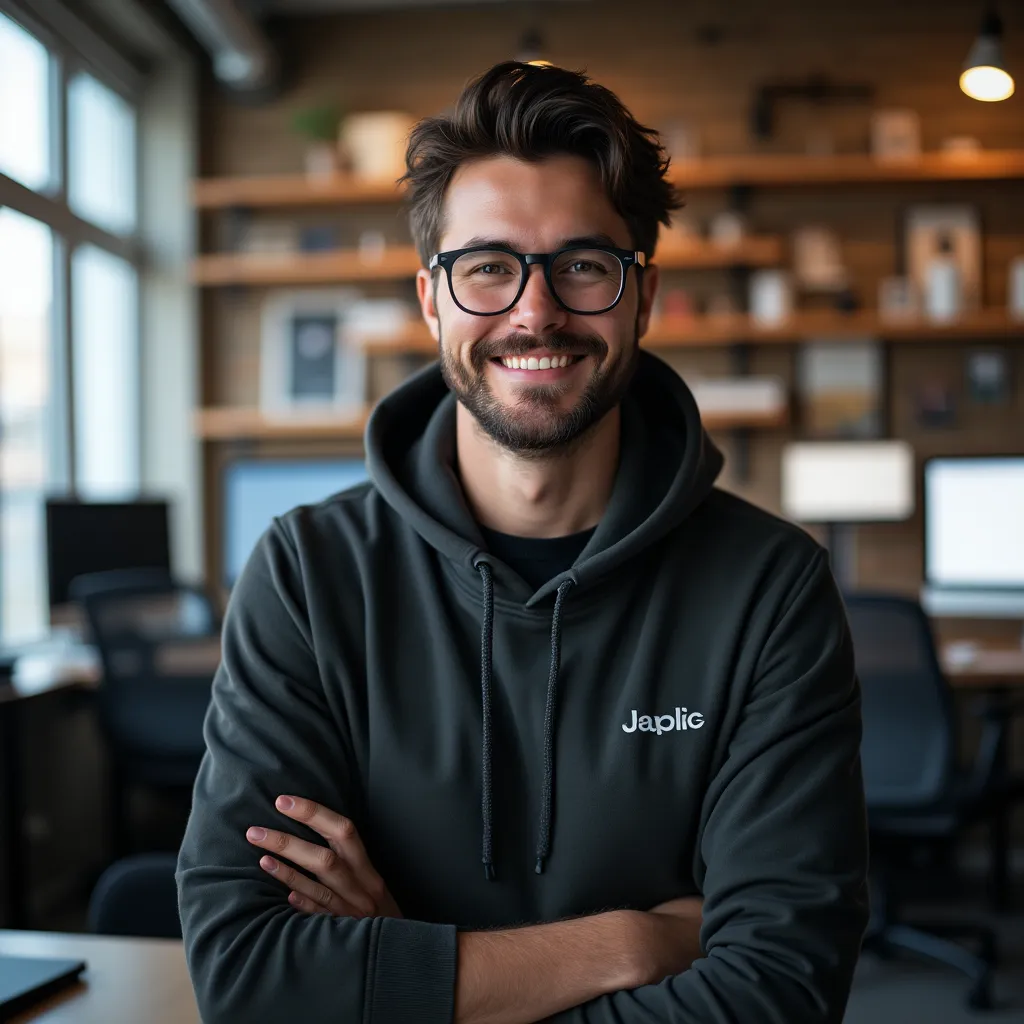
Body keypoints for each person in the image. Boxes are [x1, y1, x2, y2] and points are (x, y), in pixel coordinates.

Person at [178, 61, 869, 1023]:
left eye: (583, 264)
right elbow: (253, 980)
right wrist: (635, 942)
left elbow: (777, 995)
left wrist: (398, 966)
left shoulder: (770, 588)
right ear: (432, 300)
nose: (535, 312)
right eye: (487, 267)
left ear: (642, 294)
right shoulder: (307, 575)